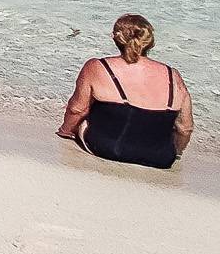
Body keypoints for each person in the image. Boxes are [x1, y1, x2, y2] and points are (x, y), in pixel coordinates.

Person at [56, 13, 191, 168]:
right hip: (161, 158)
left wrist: (66, 131)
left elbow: (77, 110)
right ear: (150, 42)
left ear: (116, 38)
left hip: (107, 148)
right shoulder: (173, 75)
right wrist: (177, 152)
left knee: (86, 119)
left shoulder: (97, 67)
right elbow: (185, 128)